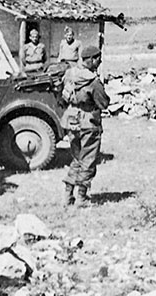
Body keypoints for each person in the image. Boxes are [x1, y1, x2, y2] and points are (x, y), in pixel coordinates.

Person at [60, 45, 110, 207]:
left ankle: (68, 196)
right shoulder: (92, 81)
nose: (99, 61)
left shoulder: (70, 73)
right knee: (88, 159)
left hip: (71, 120)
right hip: (88, 122)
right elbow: (103, 103)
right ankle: (81, 198)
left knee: (77, 158)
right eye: (98, 59)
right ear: (92, 59)